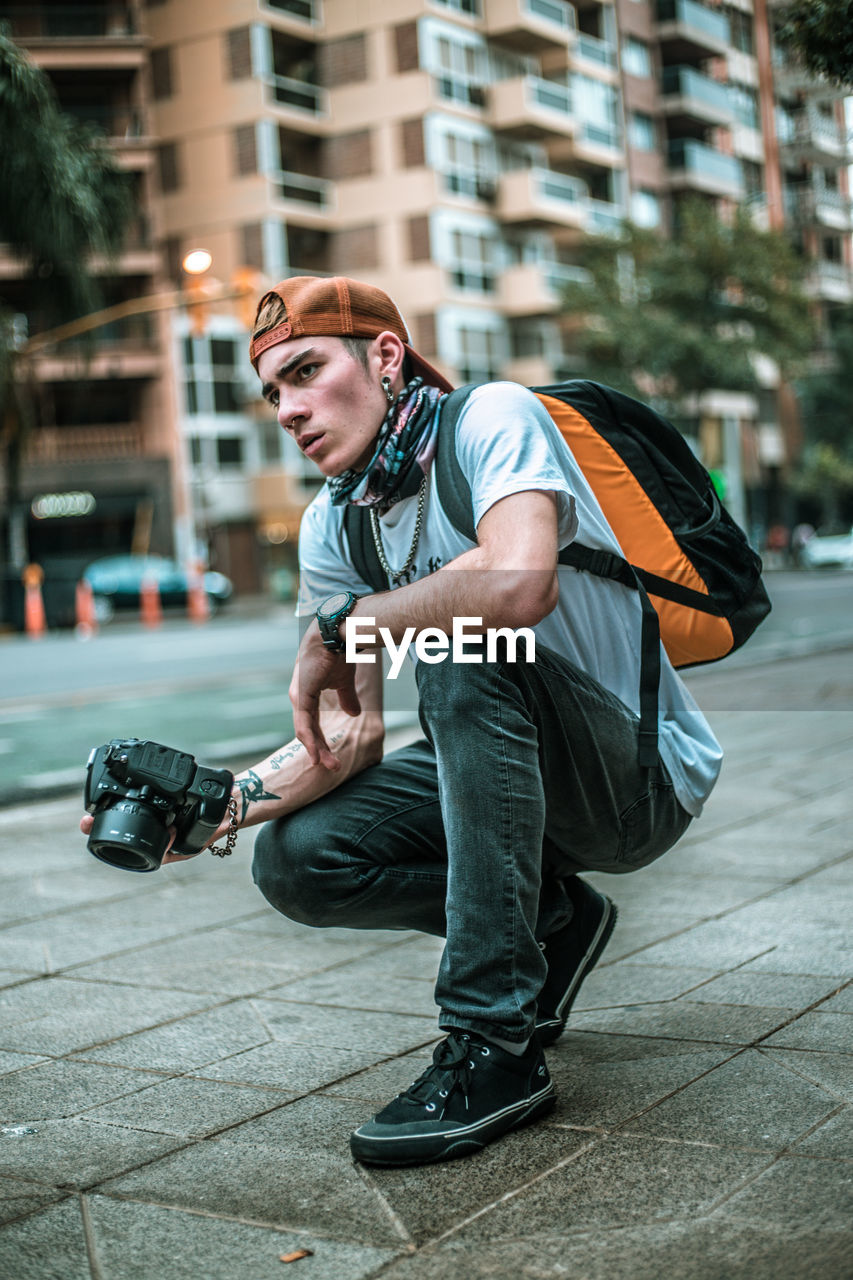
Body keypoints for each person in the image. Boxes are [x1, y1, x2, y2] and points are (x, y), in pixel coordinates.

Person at [82, 276, 723, 1168]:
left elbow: (518, 585)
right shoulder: (334, 527)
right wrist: (218, 804)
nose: (290, 410)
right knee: (300, 861)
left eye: (307, 371)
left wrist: (348, 624)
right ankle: (552, 922)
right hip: (511, 765)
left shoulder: (490, 420)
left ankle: (493, 1043)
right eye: (274, 392)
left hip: (632, 782)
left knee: (468, 643)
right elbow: (347, 735)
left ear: (385, 357)